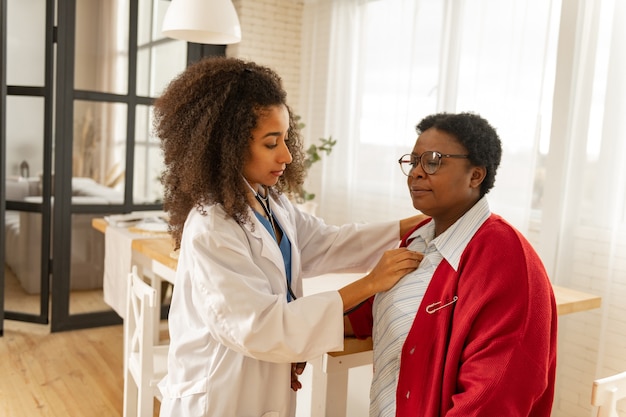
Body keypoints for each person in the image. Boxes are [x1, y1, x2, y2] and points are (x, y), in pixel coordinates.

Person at [152, 56, 425, 417]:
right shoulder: (212, 227)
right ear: (227, 147)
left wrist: (417, 223)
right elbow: (260, 327)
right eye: (270, 143)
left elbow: (328, 242)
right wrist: (370, 284)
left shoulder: (269, 201)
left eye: (284, 139)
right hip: (218, 394)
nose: (287, 154)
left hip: (260, 377)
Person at [346, 112, 558, 416]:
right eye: (414, 161)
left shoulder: (505, 257)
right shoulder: (418, 239)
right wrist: (298, 343)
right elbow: (366, 315)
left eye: (433, 161)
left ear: (475, 175)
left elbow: (493, 397)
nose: (416, 173)